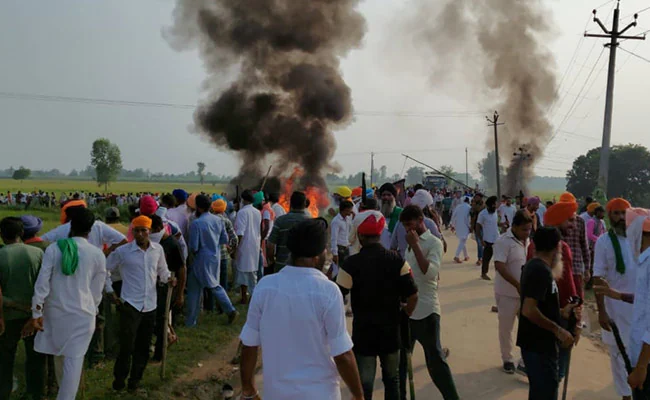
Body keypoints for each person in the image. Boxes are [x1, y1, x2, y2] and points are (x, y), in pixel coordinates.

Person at [240, 219, 364, 400]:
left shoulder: (265, 287)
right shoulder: (327, 291)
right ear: (317, 257)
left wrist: (248, 389)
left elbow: (249, 344)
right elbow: (343, 355)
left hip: (276, 394)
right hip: (321, 394)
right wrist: (358, 396)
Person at [23, 209, 107, 400]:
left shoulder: (54, 249)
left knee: (60, 358)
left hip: (55, 314)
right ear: (91, 229)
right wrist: (91, 309)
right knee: (72, 363)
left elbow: (42, 283)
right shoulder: (96, 254)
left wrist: (37, 313)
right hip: (82, 316)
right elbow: (96, 292)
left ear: (70, 226)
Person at [335, 210, 417, 399]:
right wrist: (404, 315)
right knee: (392, 380)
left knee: (365, 385)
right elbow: (413, 296)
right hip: (391, 332)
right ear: (380, 234)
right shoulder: (397, 260)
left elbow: (338, 297)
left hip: (364, 334)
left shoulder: (350, 264)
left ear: (361, 236)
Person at [398, 206, 459, 400]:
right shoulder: (409, 242)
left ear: (420, 220)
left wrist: (415, 245)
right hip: (409, 310)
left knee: (435, 363)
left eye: (410, 224)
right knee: (402, 362)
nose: (408, 229)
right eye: (405, 226)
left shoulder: (434, 243)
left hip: (427, 312)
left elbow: (430, 272)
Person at [105, 216, 172, 392]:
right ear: (133, 232)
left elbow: (162, 272)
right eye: (137, 230)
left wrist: (169, 279)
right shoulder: (123, 252)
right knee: (126, 347)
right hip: (130, 305)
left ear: (149, 231)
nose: (141, 234)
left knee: (143, 348)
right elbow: (104, 270)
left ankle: (135, 383)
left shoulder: (157, 250)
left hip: (150, 305)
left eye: (144, 230)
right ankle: (118, 383)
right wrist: (110, 291)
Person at [517, 227, 581, 400]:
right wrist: (558, 330)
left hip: (539, 345)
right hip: (538, 346)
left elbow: (538, 306)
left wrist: (561, 312)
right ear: (557, 248)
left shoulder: (538, 268)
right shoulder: (539, 271)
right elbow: (528, 310)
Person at [592, 198, 635, 400]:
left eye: (624, 213)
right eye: (616, 214)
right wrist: (601, 311)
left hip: (639, 307)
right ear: (609, 216)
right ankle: (626, 397)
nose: (620, 218)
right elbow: (598, 277)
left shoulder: (639, 239)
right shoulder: (603, 242)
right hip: (615, 310)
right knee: (619, 358)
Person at [0, 217, 46, 400]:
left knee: (5, 359)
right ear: (22, 233)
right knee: (36, 358)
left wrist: (12, 304)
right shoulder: (37, 254)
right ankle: (36, 393)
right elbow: (44, 287)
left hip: (7, 316)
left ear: (2, 235)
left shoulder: (2, 255)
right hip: (33, 315)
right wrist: (33, 313)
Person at [186, 195, 238, 326]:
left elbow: (193, 246)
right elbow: (224, 239)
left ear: (198, 207)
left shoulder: (196, 223)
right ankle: (191, 321)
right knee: (198, 286)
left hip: (201, 258)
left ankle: (230, 310)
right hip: (215, 256)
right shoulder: (218, 220)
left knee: (211, 286)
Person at [493, 210, 532, 374]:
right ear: (514, 227)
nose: (527, 233)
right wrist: (516, 284)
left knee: (527, 329)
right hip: (507, 293)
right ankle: (507, 359)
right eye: (524, 229)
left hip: (525, 294)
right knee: (506, 328)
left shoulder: (528, 241)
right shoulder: (503, 241)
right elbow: (499, 266)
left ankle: (525, 361)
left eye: (529, 229)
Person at [149, 215, 187, 361]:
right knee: (160, 319)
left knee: (160, 319)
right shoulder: (155, 244)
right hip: (156, 287)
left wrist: (180, 294)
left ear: (158, 229)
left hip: (168, 287)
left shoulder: (171, 244)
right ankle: (170, 336)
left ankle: (160, 353)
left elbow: (182, 269)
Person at [267, 191, 310, 273]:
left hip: (282, 267)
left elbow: (270, 245)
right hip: (303, 270)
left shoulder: (280, 221)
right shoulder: (310, 222)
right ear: (305, 204)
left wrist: (272, 261)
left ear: (291, 203)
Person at [558, 192, 590, 298]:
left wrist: (587, 269)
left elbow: (584, 245)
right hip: (559, 267)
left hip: (576, 267)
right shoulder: (556, 221)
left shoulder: (580, 221)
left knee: (577, 298)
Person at [235, 190, 262, 304]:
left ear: (244, 200)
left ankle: (245, 297)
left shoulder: (242, 212)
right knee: (252, 273)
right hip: (254, 244)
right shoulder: (257, 212)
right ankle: (251, 297)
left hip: (244, 245)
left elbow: (240, 233)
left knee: (243, 272)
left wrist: (236, 248)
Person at [212, 199, 238, 291]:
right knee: (223, 280)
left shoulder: (210, 220)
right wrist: (231, 249)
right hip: (223, 255)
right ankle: (222, 302)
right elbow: (234, 238)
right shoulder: (226, 221)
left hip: (212, 254)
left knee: (213, 280)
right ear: (224, 209)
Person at [477, 196, 500, 281]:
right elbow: (478, 227)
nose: (495, 206)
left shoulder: (495, 212)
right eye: (493, 205)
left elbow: (495, 224)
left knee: (498, 258)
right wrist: (481, 239)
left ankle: (499, 274)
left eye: (495, 204)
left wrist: (503, 224)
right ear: (489, 206)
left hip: (497, 239)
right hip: (487, 240)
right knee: (486, 258)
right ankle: (484, 273)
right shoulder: (482, 214)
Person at [330, 200, 354, 279]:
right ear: (345, 210)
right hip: (340, 249)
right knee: (341, 270)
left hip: (346, 247)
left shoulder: (347, 219)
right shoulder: (336, 221)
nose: (351, 211)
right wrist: (335, 253)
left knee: (342, 269)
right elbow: (334, 238)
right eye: (350, 210)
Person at [379, 183, 403, 249]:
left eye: (389, 195)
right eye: (383, 195)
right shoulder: (377, 214)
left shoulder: (400, 213)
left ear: (394, 197)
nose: (386, 197)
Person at [450, 197, 471, 263]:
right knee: (463, 240)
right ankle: (457, 256)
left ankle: (466, 256)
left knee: (462, 240)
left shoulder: (458, 206)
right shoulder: (469, 208)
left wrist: (452, 225)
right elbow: (468, 219)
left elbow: (453, 215)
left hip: (458, 225)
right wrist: (470, 226)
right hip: (465, 226)